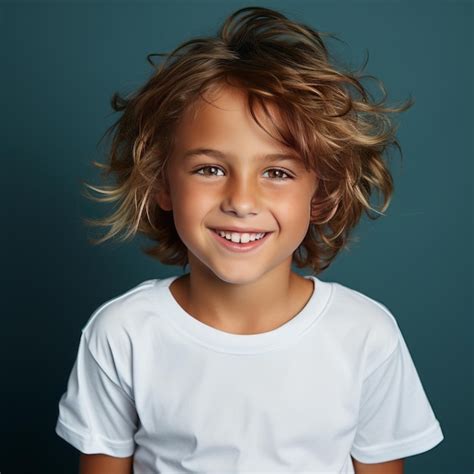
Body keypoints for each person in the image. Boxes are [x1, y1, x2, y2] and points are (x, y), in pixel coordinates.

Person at [55, 6, 444, 474]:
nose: (242, 200)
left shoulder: (365, 335)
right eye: (210, 169)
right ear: (160, 182)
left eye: (277, 172)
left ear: (321, 194)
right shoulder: (122, 334)